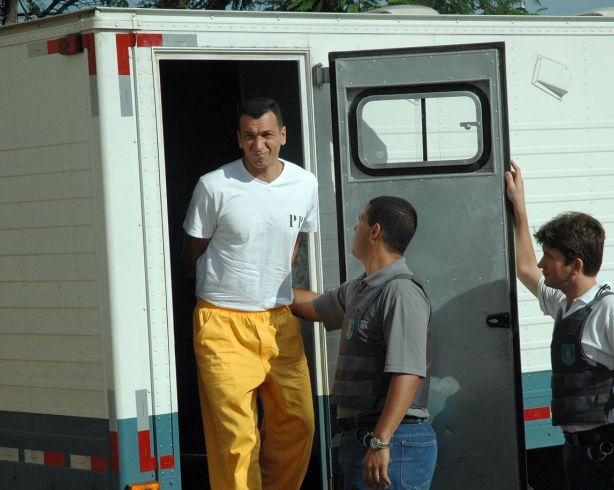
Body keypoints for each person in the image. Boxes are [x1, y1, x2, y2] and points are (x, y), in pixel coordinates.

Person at [182, 97, 317, 490]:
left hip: (278, 321)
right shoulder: (214, 185)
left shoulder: (304, 183)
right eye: (250, 136)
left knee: (300, 424)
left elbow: (292, 244)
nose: (259, 145)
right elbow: (194, 253)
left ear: (283, 136)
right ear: (239, 140)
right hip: (221, 322)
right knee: (238, 442)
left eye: (267, 135)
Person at [505, 160, 614, 490]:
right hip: (578, 452)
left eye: (550, 256)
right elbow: (524, 267)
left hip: (610, 451)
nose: (542, 263)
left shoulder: (611, 309)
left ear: (575, 266)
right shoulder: (563, 304)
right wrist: (519, 205)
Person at [290, 196, 437, 490]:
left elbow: (408, 374)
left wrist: (381, 441)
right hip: (363, 438)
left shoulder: (401, 293)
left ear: (374, 232)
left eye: (360, 221)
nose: (354, 227)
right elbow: (310, 306)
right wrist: (256, 287)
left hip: (394, 441)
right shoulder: (360, 289)